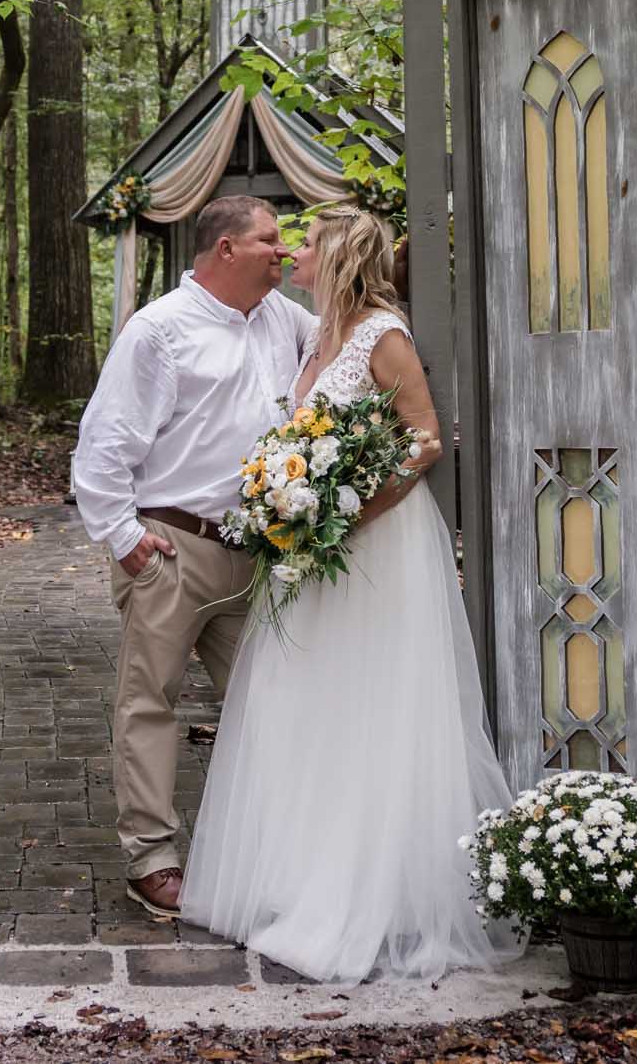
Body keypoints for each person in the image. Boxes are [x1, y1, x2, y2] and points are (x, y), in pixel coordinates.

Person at [182, 205, 516, 982]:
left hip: (373, 550)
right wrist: (288, 500)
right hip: (315, 552)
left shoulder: (380, 334)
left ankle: (370, 896)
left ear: (339, 254)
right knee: (303, 708)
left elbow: (423, 438)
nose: (293, 249)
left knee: (369, 708)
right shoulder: (313, 331)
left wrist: (344, 512)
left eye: (308, 239)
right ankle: (299, 877)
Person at [70, 194, 317, 920]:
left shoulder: (284, 320)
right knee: (150, 701)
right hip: (171, 546)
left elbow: (348, 340)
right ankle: (150, 856)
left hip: (260, 552)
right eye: (271, 239)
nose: (283, 250)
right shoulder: (158, 331)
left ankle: (268, 845)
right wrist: (124, 538)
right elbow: (105, 442)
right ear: (227, 249)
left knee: (273, 699)